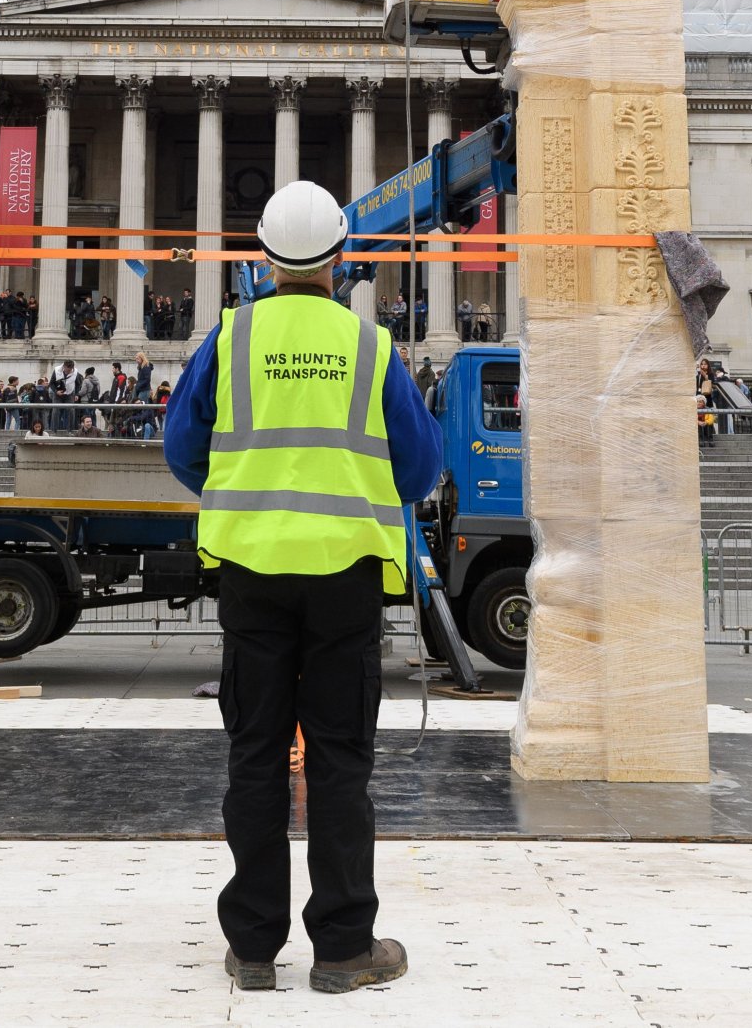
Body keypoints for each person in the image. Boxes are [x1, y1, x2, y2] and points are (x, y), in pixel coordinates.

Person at [164, 179, 439, 995]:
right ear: (342, 256)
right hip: (346, 578)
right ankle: (344, 947)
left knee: (253, 754)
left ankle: (252, 946)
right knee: (340, 760)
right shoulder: (372, 346)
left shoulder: (230, 337)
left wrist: (242, 486)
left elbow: (184, 447)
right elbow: (420, 469)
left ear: (263, 257)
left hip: (251, 572)